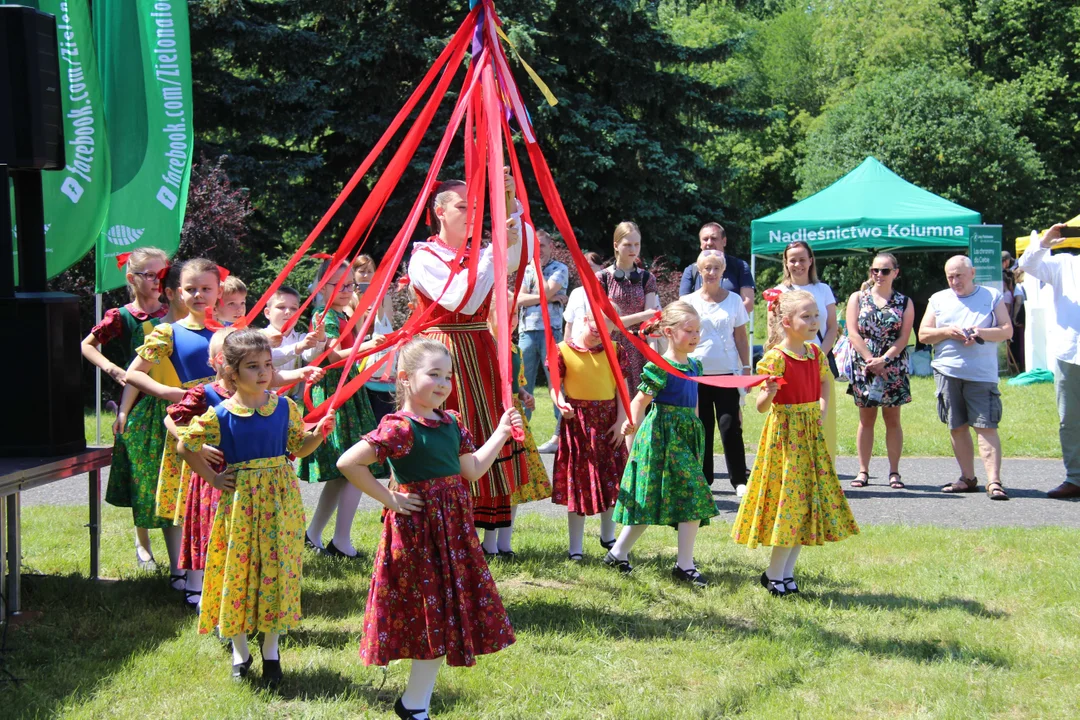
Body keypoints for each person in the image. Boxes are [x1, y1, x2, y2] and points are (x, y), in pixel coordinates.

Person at [336, 339, 519, 720]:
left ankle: (415, 703)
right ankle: (415, 705)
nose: (443, 383)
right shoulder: (401, 428)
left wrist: (501, 433)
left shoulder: (451, 422)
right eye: (433, 374)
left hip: (453, 535)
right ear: (404, 378)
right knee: (428, 617)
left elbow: (470, 471)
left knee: (448, 618)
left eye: (448, 375)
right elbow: (349, 462)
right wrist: (392, 500)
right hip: (420, 537)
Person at [179, 330, 335, 684]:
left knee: (277, 571)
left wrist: (319, 434)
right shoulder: (220, 414)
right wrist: (214, 478)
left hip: (280, 502)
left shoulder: (285, 407)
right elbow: (184, 447)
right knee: (238, 571)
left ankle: (271, 650)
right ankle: (239, 650)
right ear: (232, 372)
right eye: (252, 366)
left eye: (267, 364)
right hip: (241, 506)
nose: (263, 372)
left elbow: (300, 446)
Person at [406, 170, 531, 538]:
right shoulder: (424, 256)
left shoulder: (479, 254)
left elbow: (516, 256)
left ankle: (487, 532)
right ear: (440, 212)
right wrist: (493, 251)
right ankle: (441, 522)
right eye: (463, 206)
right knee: (449, 428)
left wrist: (509, 202)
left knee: (485, 427)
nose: (471, 213)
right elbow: (458, 298)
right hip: (441, 351)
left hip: (479, 348)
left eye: (477, 206)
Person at [731, 290, 859, 597]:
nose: (815, 321)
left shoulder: (815, 353)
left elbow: (826, 380)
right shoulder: (774, 358)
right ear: (786, 322)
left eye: (816, 315)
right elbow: (762, 406)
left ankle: (786, 573)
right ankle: (774, 574)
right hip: (786, 440)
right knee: (789, 504)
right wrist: (770, 391)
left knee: (805, 504)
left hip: (810, 436)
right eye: (807, 316)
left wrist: (823, 407)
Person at [124, 258, 222, 595]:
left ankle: (208, 568)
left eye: (206, 289)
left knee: (212, 497)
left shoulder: (226, 333)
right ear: (178, 292)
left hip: (221, 423)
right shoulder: (167, 331)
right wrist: (167, 391)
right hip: (186, 421)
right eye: (191, 289)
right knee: (181, 499)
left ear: (218, 291)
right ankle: (179, 570)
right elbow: (134, 372)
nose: (198, 295)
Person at [604, 301, 717, 588]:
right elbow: (638, 403)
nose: (695, 336)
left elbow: (694, 404)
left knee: (680, 498)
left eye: (697, 330)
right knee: (684, 497)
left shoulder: (695, 365)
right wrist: (631, 440)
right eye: (689, 330)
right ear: (668, 331)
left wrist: (696, 431)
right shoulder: (660, 366)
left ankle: (619, 554)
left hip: (685, 436)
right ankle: (683, 566)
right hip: (661, 439)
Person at [83, 246, 170, 570]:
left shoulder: (170, 313)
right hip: (136, 406)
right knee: (143, 476)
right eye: (151, 274)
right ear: (133, 278)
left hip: (173, 403)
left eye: (162, 274)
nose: (158, 281)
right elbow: (87, 345)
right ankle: (143, 544)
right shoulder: (121, 317)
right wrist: (113, 369)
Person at [300, 258, 386, 557]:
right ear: (323, 287)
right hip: (336, 394)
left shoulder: (341, 312)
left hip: (347, 391)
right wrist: (370, 344)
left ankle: (313, 534)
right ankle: (341, 540)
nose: (347, 289)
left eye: (350, 284)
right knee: (355, 465)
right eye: (339, 284)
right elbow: (334, 355)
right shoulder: (324, 316)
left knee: (344, 471)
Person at [105, 261, 185, 576]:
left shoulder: (212, 330)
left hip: (199, 414)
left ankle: (191, 566)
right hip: (159, 414)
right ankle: (153, 550)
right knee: (154, 484)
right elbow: (137, 375)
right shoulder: (157, 331)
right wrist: (124, 410)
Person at [918, 256, 1013, 500]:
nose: (954, 281)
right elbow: (923, 334)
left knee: (986, 426)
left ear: (972, 272)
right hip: (947, 371)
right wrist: (947, 332)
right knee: (957, 426)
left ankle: (994, 482)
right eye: (950, 276)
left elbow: (1006, 330)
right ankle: (968, 478)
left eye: (959, 275)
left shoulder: (991, 296)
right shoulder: (938, 299)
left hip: (981, 374)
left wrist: (980, 332)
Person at [162, 328, 235, 611]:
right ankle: (195, 584)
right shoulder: (203, 393)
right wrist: (194, 445)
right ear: (218, 361)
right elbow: (171, 418)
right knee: (204, 527)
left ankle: (228, 583)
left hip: (239, 473)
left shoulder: (252, 394)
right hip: (208, 474)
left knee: (231, 530)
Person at [551, 306, 630, 561]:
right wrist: (560, 403)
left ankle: (608, 536)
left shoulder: (616, 350)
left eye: (606, 331)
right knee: (579, 485)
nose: (600, 336)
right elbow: (555, 385)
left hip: (608, 424)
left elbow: (622, 388)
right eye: (596, 330)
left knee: (611, 483)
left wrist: (621, 420)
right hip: (579, 425)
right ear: (585, 319)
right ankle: (576, 547)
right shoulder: (562, 350)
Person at [1017, 223, 1080, 499]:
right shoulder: (1064, 264)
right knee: (1069, 420)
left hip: (1068, 351)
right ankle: (1075, 477)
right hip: (1069, 353)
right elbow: (1026, 265)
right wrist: (1045, 241)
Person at [682, 250, 750, 494]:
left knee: (730, 425)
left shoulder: (734, 301)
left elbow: (741, 337)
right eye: (706, 268)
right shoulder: (689, 302)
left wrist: (746, 367)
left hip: (728, 373)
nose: (711, 273)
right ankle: (704, 479)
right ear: (699, 271)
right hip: (696, 374)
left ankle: (739, 480)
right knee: (702, 427)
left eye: (716, 268)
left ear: (723, 272)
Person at [844, 253, 914, 489]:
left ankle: (894, 472)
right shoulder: (858, 298)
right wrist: (870, 360)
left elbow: (904, 336)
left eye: (885, 271)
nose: (879, 275)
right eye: (875, 270)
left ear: (896, 272)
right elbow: (852, 332)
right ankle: (863, 471)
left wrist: (884, 359)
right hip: (865, 365)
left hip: (893, 364)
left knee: (893, 419)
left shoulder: (905, 302)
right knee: (866, 420)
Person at [774, 240, 839, 458]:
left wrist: (820, 356)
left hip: (817, 363)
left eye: (802, 259)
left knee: (823, 420)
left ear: (811, 261)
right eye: (793, 260)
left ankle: (823, 475)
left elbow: (832, 327)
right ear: (786, 263)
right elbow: (774, 332)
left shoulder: (823, 289)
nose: (798, 265)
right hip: (789, 365)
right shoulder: (777, 292)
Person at [517, 229, 569, 452]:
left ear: (551, 247)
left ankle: (561, 438)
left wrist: (544, 294)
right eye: (534, 247)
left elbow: (548, 290)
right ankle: (521, 436)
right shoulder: (525, 269)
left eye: (543, 246)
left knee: (556, 383)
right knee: (522, 382)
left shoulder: (560, 268)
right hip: (526, 331)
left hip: (551, 331)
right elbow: (517, 299)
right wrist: (547, 297)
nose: (539, 250)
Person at [596, 222, 661, 390]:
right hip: (610, 347)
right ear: (616, 245)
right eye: (627, 245)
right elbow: (605, 323)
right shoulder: (602, 278)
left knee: (639, 405)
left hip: (639, 348)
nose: (633, 249)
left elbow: (650, 323)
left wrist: (654, 355)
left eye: (636, 244)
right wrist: (641, 316)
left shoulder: (648, 278)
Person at [262, 285, 326, 401]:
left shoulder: (301, 337)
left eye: (294, 308)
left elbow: (311, 356)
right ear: (267, 313)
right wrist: (299, 347)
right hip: (263, 399)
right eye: (281, 307)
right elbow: (271, 358)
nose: (288, 312)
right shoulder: (259, 337)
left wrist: (320, 338)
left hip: (290, 401)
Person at [678, 222, 755, 316]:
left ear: (724, 241)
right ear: (700, 244)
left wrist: (722, 319)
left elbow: (748, 304)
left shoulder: (740, 266)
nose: (709, 243)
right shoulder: (691, 270)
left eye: (714, 238)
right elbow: (683, 306)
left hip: (731, 328)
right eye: (705, 239)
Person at [562, 250, 606, 338]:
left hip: (599, 344)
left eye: (589, 266)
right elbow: (569, 324)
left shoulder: (608, 292)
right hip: (576, 344)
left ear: (601, 268)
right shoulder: (576, 293)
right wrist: (566, 346)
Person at [1002, 250, 1026, 373]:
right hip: (1018, 320)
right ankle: (1020, 365)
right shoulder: (1016, 289)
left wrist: (1014, 320)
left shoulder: (1017, 289)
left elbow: (1016, 304)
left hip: (1017, 321)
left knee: (1020, 344)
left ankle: (1020, 365)